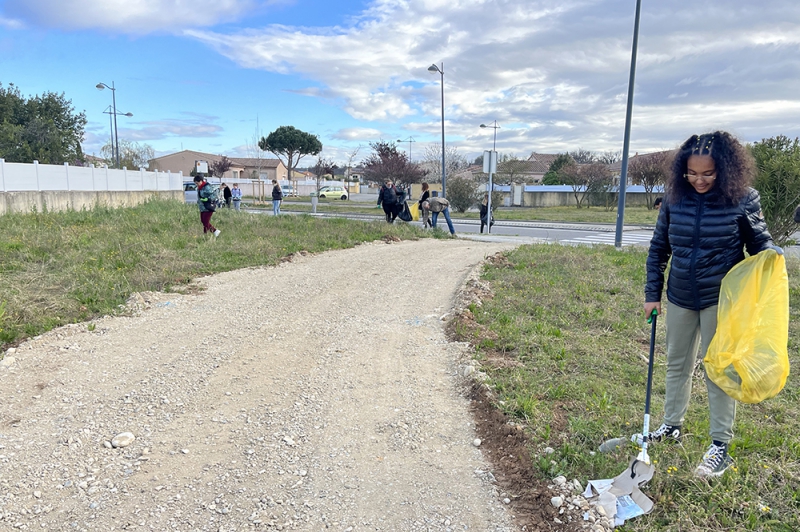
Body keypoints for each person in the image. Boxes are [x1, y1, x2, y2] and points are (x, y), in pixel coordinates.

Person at [641, 131, 776, 478]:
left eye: (708, 173)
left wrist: (771, 259)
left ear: (725, 170)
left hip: (721, 300)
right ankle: (671, 427)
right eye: (692, 172)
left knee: (718, 371)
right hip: (681, 295)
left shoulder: (743, 199)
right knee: (677, 365)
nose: (699, 180)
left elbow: (761, 245)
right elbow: (659, 249)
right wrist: (651, 294)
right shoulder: (674, 199)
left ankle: (720, 446)